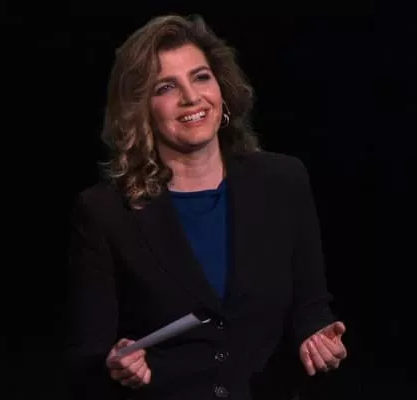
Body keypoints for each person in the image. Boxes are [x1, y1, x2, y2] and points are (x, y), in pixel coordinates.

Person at [63, 14, 347, 400]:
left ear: (221, 87)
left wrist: (316, 337)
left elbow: (311, 306)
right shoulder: (105, 212)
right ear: (140, 108)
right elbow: (88, 354)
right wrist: (116, 363)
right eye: (166, 87)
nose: (191, 98)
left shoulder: (284, 181)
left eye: (200, 77)